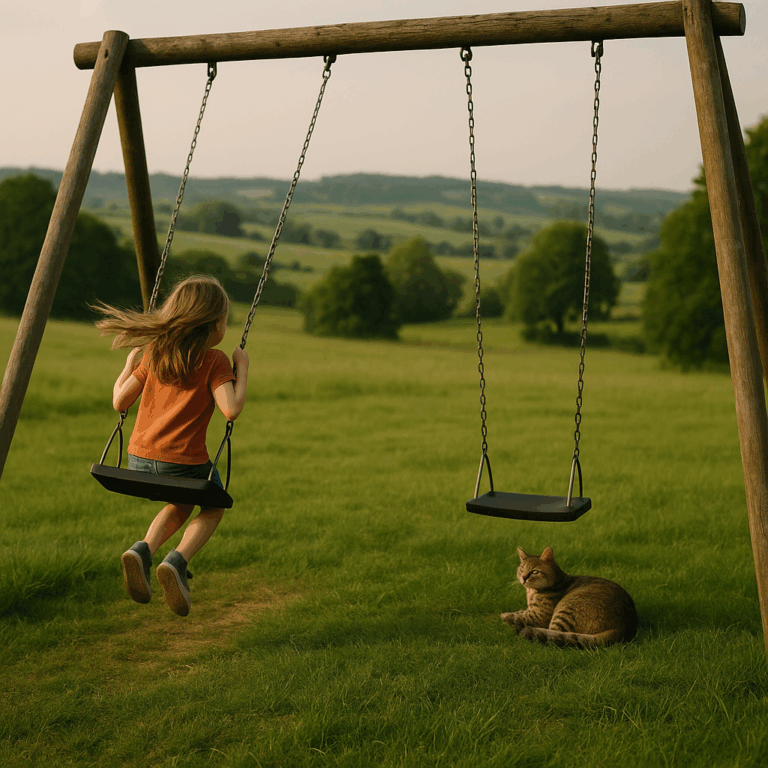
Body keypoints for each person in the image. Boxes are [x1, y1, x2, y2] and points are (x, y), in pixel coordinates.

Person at [95, 275, 249, 616]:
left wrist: (127, 367)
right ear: (211, 325)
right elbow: (231, 409)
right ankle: (177, 562)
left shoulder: (154, 355)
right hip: (183, 462)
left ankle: (144, 550)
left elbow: (120, 402)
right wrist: (243, 368)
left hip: (138, 460)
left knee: (181, 501)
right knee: (212, 506)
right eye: (224, 321)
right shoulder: (215, 361)